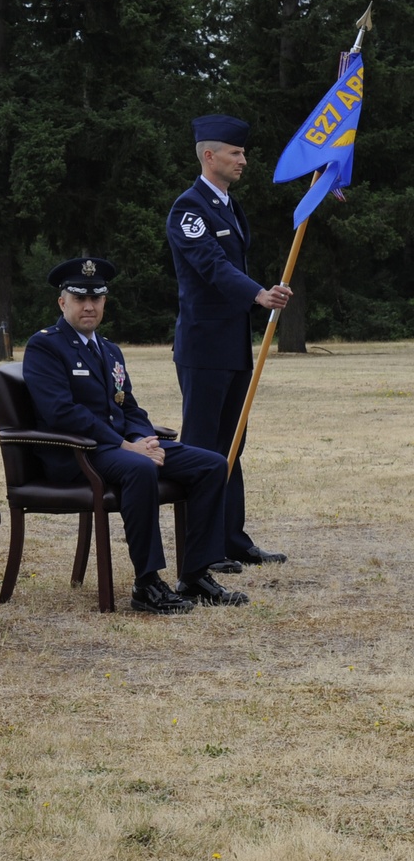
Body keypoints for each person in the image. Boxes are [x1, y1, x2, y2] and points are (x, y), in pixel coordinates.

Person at [22, 257, 248, 614]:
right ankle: (147, 583)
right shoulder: (45, 347)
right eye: (79, 298)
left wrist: (148, 442)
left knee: (212, 464)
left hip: (122, 448)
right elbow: (61, 413)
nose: (89, 306)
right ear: (62, 302)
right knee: (139, 469)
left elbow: (129, 407)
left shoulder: (109, 348)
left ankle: (195, 574)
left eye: (96, 299)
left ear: (105, 303)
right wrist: (129, 447)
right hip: (78, 454)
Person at [166, 114, 290, 571]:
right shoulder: (189, 208)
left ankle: (232, 540)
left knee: (232, 445)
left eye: (244, 153)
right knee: (201, 449)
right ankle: (202, 552)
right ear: (209, 155)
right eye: (236, 154)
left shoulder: (229, 207)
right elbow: (210, 265)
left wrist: (259, 297)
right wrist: (258, 293)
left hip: (233, 345)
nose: (244, 161)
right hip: (203, 349)